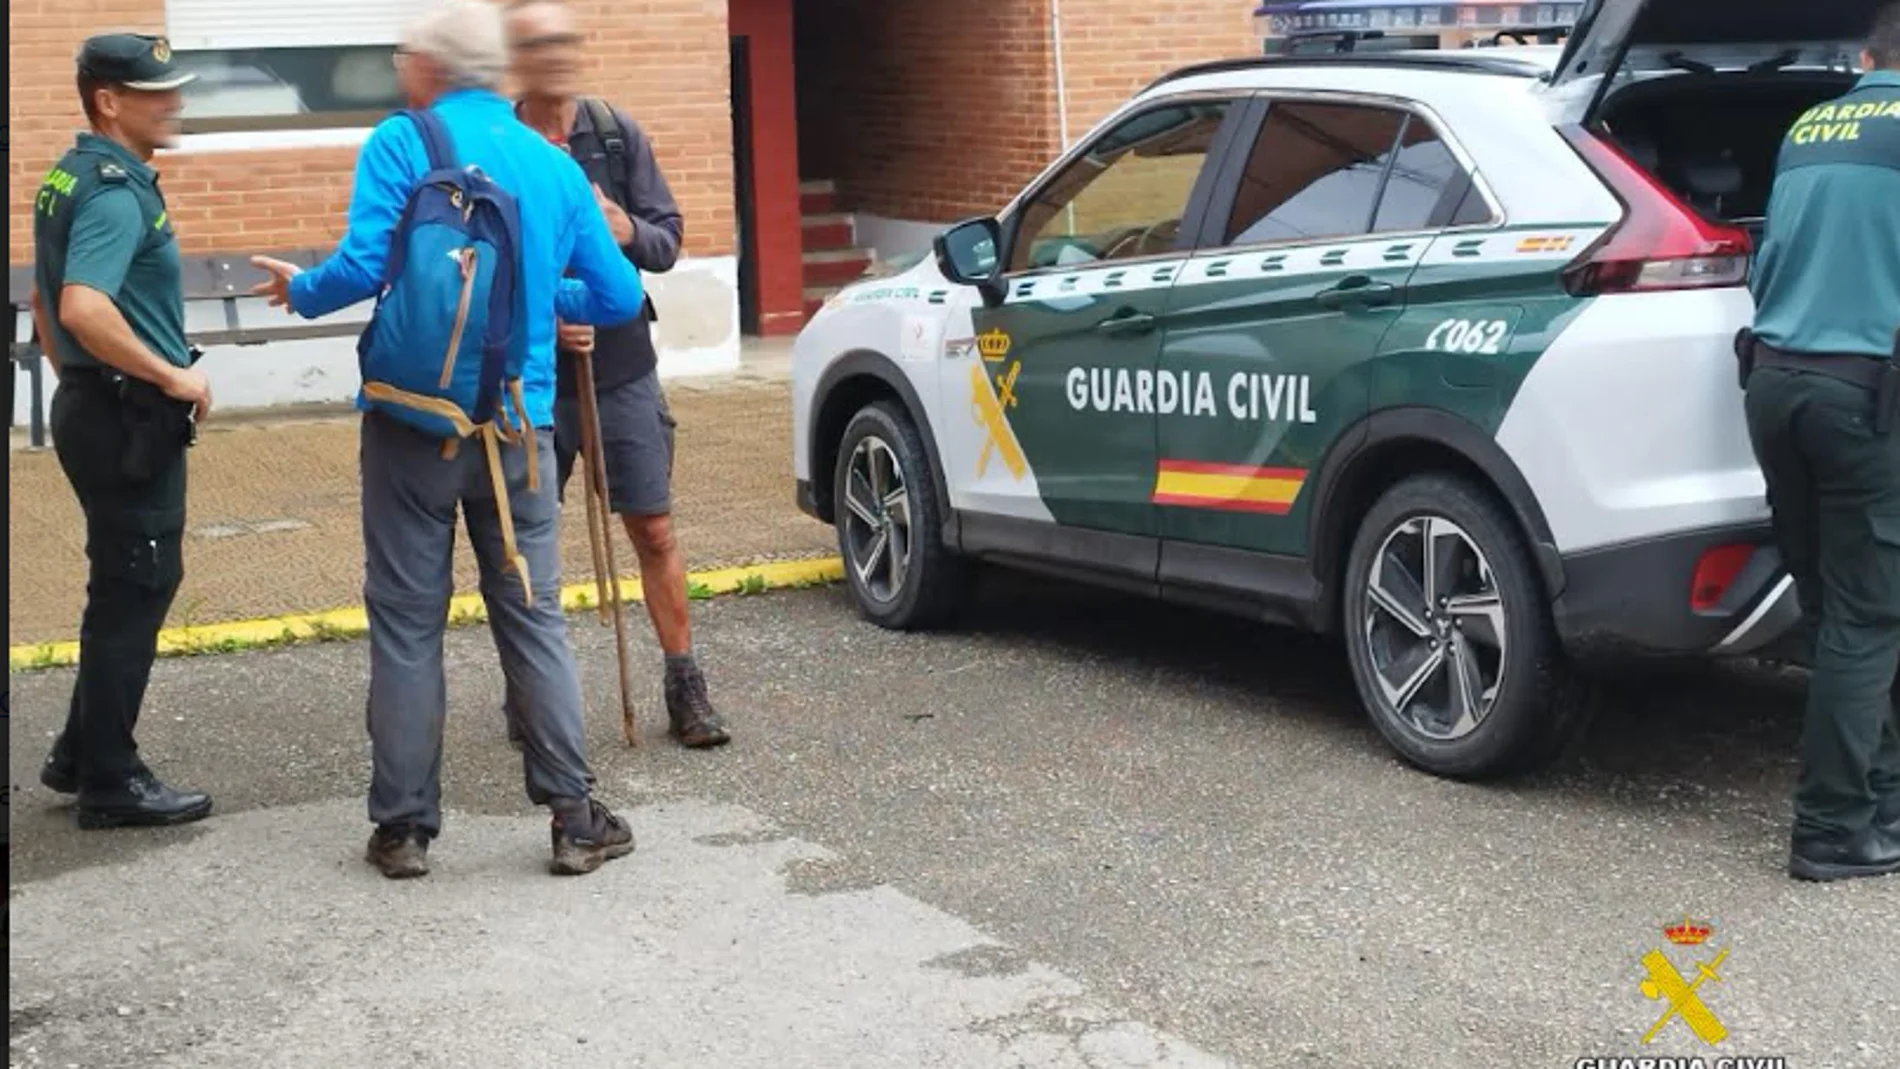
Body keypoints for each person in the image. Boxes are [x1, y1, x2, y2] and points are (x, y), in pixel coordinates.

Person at [250, 0, 649, 879]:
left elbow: (362, 266)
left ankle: (402, 829)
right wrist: (545, 307)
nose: (399, 69)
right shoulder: (549, 165)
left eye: (403, 56)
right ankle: (575, 817)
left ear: (430, 68)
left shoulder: (401, 142)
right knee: (534, 617)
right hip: (518, 427)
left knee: (405, 621)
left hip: (409, 422)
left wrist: (303, 292)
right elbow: (620, 299)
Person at [503, 0, 731, 749]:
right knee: (522, 543)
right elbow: (478, 259)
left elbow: (666, 241)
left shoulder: (613, 133)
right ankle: (529, 692)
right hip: (530, 376)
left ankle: (683, 681)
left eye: (568, 40)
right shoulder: (497, 143)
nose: (560, 54)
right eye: (542, 44)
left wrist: (623, 226)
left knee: (654, 527)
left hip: (622, 367)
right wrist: (545, 315)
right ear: (516, 56)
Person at [30, 32, 216, 829]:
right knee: (136, 584)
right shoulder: (112, 190)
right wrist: (172, 376)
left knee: (123, 580)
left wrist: (74, 370)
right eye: (156, 90)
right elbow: (80, 305)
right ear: (109, 100)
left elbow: (45, 301)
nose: (173, 101)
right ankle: (110, 778)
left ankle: (80, 749)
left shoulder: (70, 173)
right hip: (124, 414)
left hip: (94, 401)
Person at [1740, 0, 1900, 883]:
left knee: (1834, 608)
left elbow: (1770, 256)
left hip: (1774, 385)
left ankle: (1880, 795)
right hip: (1862, 398)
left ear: (1866, 53)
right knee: (1870, 613)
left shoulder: (1810, 124)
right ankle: (1834, 828)